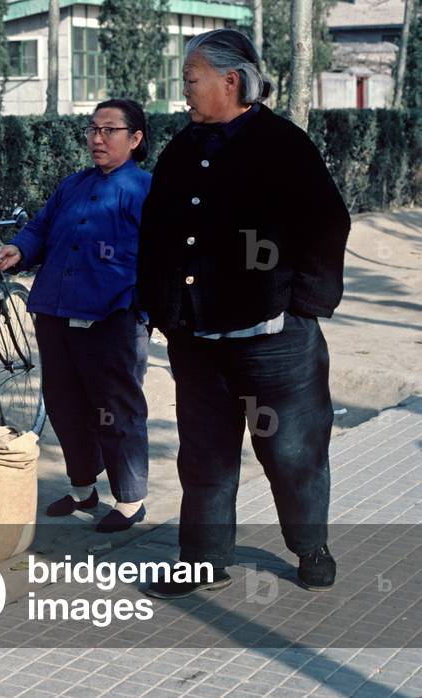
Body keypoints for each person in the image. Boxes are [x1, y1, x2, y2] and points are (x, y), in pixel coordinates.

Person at [138, 29, 350, 598]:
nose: (184, 91)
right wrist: (160, 307)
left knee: (291, 451)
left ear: (230, 81)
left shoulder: (282, 144)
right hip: (197, 339)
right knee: (203, 455)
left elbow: (327, 225)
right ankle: (202, 560)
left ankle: (310, 547)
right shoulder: (181, 148)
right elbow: (157, 233)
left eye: (191, 79)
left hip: (273, 339)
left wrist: (304, 307)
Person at [0, 99, 152, 533]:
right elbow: (41, 228)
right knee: (66, 405)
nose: (97, 138)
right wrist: (19, 249)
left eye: (109, 130)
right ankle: (83, 487)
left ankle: (130, 499)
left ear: (135, 139)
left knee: (117, 409)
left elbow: (161, 257)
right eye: (92, 129)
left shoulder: (145, 191)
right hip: (56, 311)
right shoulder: (72, 185)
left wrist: (146, 310)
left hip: (113, 318)